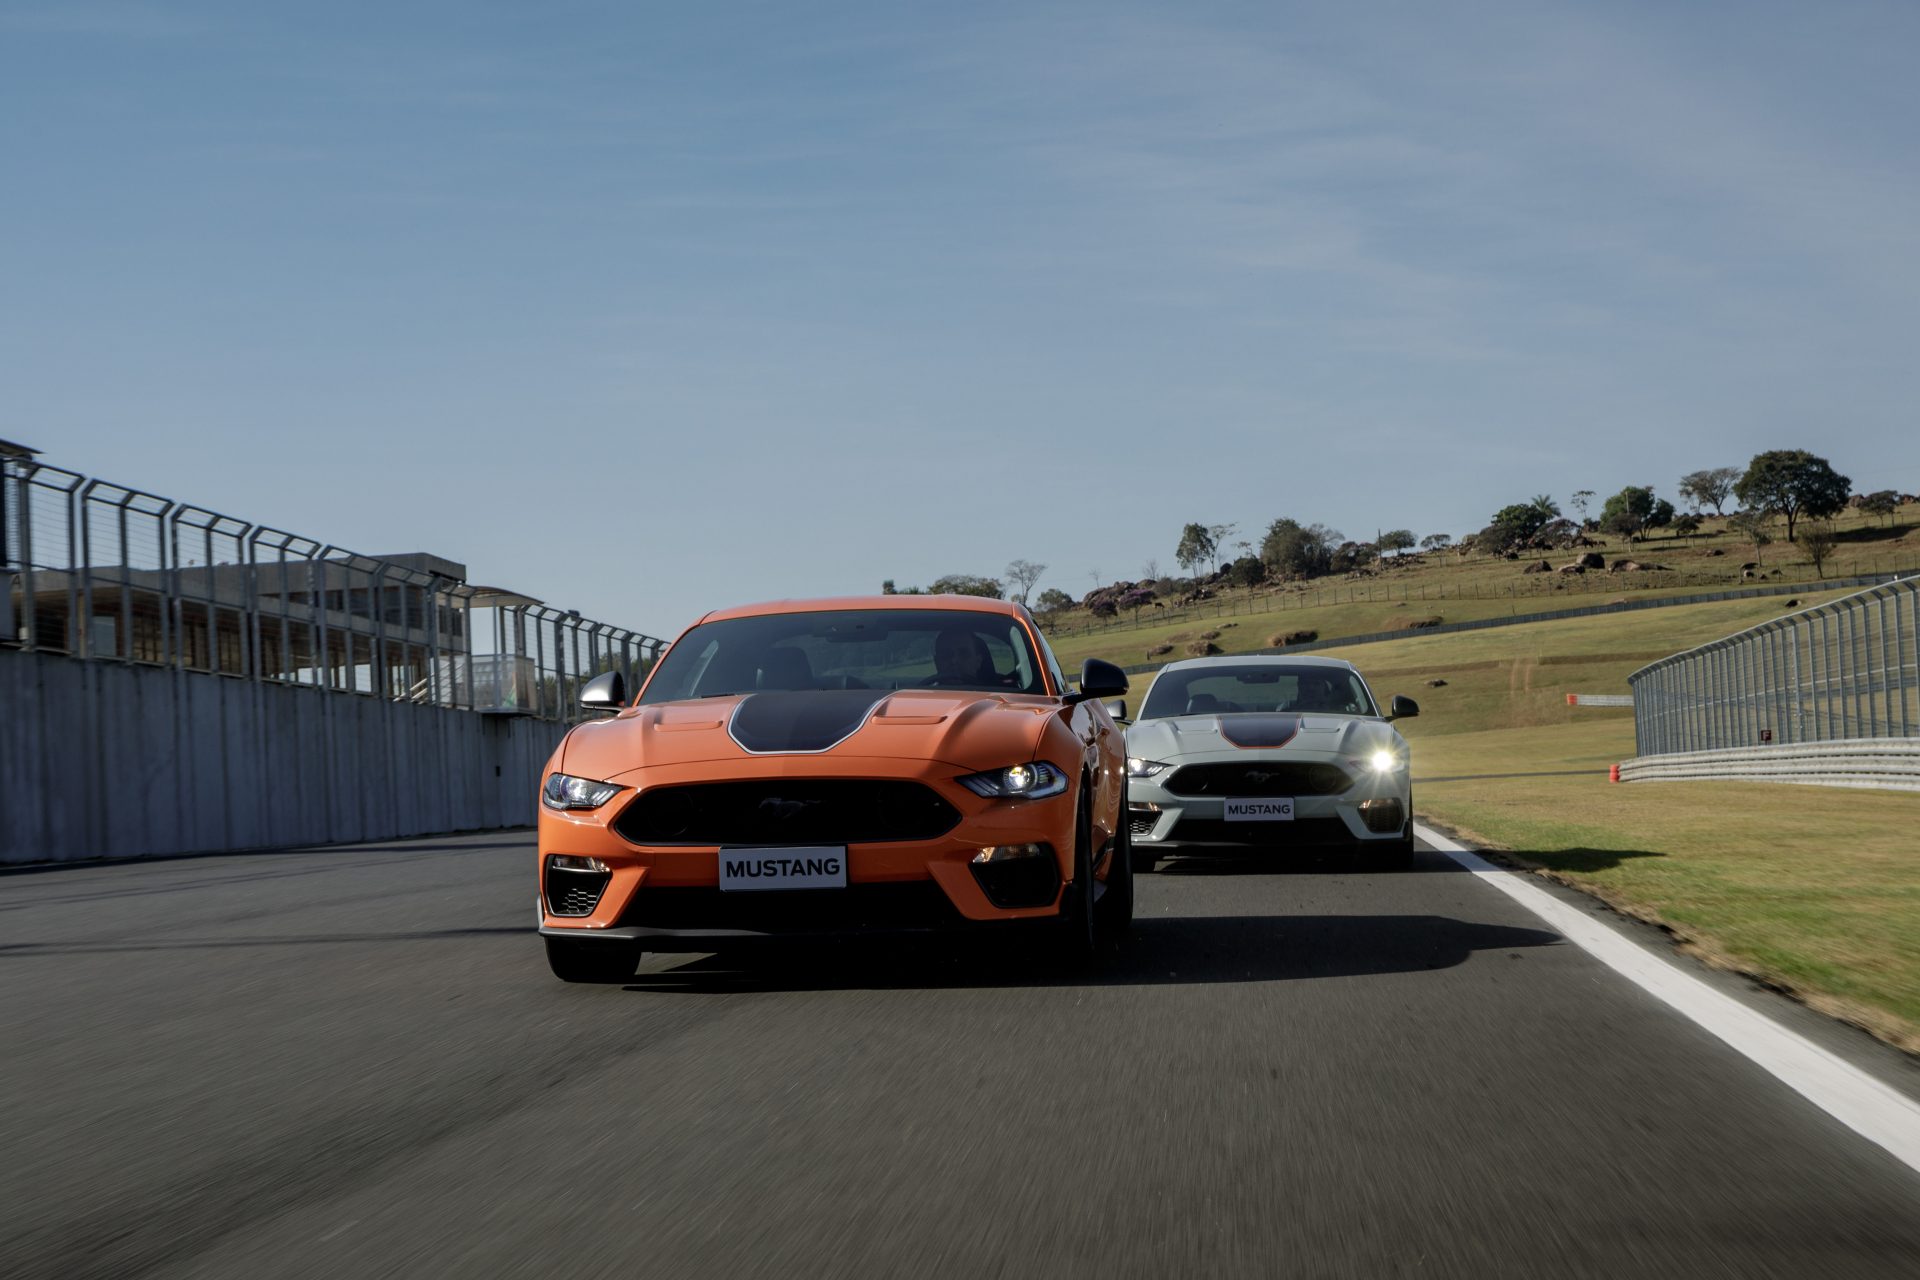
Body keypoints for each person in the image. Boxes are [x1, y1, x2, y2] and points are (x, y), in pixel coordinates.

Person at [928, 627, 1006, 687]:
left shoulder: (1003, 693)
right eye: (946, 654)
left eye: (964, 654)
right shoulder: (922, 697)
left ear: (978, 661)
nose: (954, 660)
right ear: (937, 662)